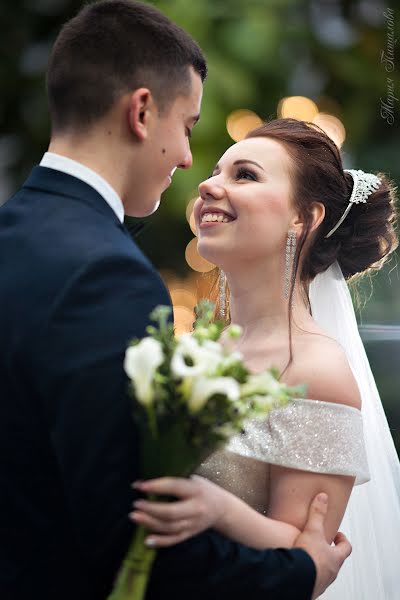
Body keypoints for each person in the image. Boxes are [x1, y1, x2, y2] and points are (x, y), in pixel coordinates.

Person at [0, 2, 350, 599]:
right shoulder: (112, 278)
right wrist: (299, 573)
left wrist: (226, 512)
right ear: (141, 111)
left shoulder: (16, 234)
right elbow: (122, 526)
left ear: (304, 218)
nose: (196, 170)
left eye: (245, 175)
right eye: (190, 130)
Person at [131, 118, 400, 598]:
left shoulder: (315, 370)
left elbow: (306, 558)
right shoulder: (196, 349)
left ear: (304, 218)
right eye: (216, 172)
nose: (209, 185)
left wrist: (217, 508)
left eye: (245, 175)